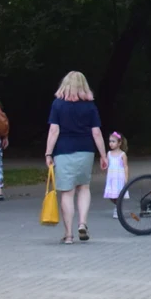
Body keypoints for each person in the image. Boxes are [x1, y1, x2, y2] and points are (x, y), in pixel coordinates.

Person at [45, 71, 109, 244]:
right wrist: (103, 155)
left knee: (67, 193)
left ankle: (68, 235)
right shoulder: (90, 106)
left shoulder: (58, 104)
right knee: (84, 187)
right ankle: (82, 223)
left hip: (63, 151)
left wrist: (48, 153)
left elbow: (54, 130)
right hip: (86, 151)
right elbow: (96, 132)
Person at [103, 132, 130, 218]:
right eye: (110, 141)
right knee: (111, 195)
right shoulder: (109, 154)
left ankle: (117, 209)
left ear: (119, 143)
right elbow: (107, 164)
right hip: (111, 177)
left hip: (119, 177)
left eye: (113, 141)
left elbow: (125, 166)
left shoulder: (122, 154)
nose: (111, 143)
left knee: (118, 194)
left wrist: (126, 177)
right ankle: (118, 205)